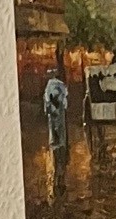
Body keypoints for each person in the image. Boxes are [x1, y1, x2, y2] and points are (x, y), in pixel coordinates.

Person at [43, 68, 70, 199]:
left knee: (54, 127)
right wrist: (61, 105)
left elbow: (47, 99)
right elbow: (64, 99)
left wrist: (48, 107)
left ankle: (55, 142)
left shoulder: (50, 85)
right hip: (58, 109)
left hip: (54, 109)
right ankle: (60, 143)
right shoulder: (60, 85)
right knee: (59, 127)